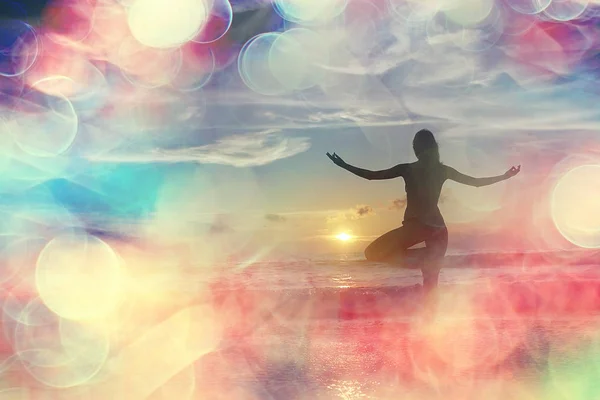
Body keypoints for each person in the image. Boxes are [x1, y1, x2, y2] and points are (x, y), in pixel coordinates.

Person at [326, 129, 520, 293]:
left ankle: (425, 266)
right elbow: (476, 183)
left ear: (417, 148)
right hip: (439, 233)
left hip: (419, 226)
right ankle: (431, 326)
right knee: (430, 288)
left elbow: (372, 176)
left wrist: (343, 165)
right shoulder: (441, 170)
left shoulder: (408, 169)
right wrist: (505, 176)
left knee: (373, 252)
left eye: (414, 146)